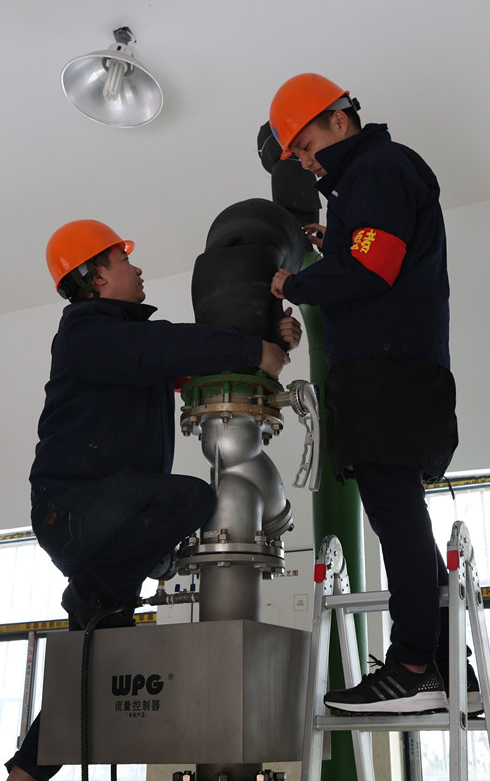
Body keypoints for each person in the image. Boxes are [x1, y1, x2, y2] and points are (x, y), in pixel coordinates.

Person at [5, 218, 301, 781]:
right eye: (123, 260)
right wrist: (251, 348)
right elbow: (169, 345)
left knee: (94, 680)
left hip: (106, 518)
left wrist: (270, 338)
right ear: (96, 277)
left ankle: (24, 771)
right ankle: (96, 590)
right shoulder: (88, 333)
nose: (137, 268)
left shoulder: (125, 347)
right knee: (190, 499)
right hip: (73, 509)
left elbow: (184, 358)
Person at [269, 73, 481, 715]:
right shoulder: (369, 180)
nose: (306, 163)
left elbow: (370, 266)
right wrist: (333, 242)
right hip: (402, 369)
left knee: (395, 513)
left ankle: (413, 665)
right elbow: (372, 251)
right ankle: (451, 668)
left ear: (340, 119)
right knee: (401, 512)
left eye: (307, 147)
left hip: (386, 371)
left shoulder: (377, 168)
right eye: (298, 156)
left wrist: (293, 284)